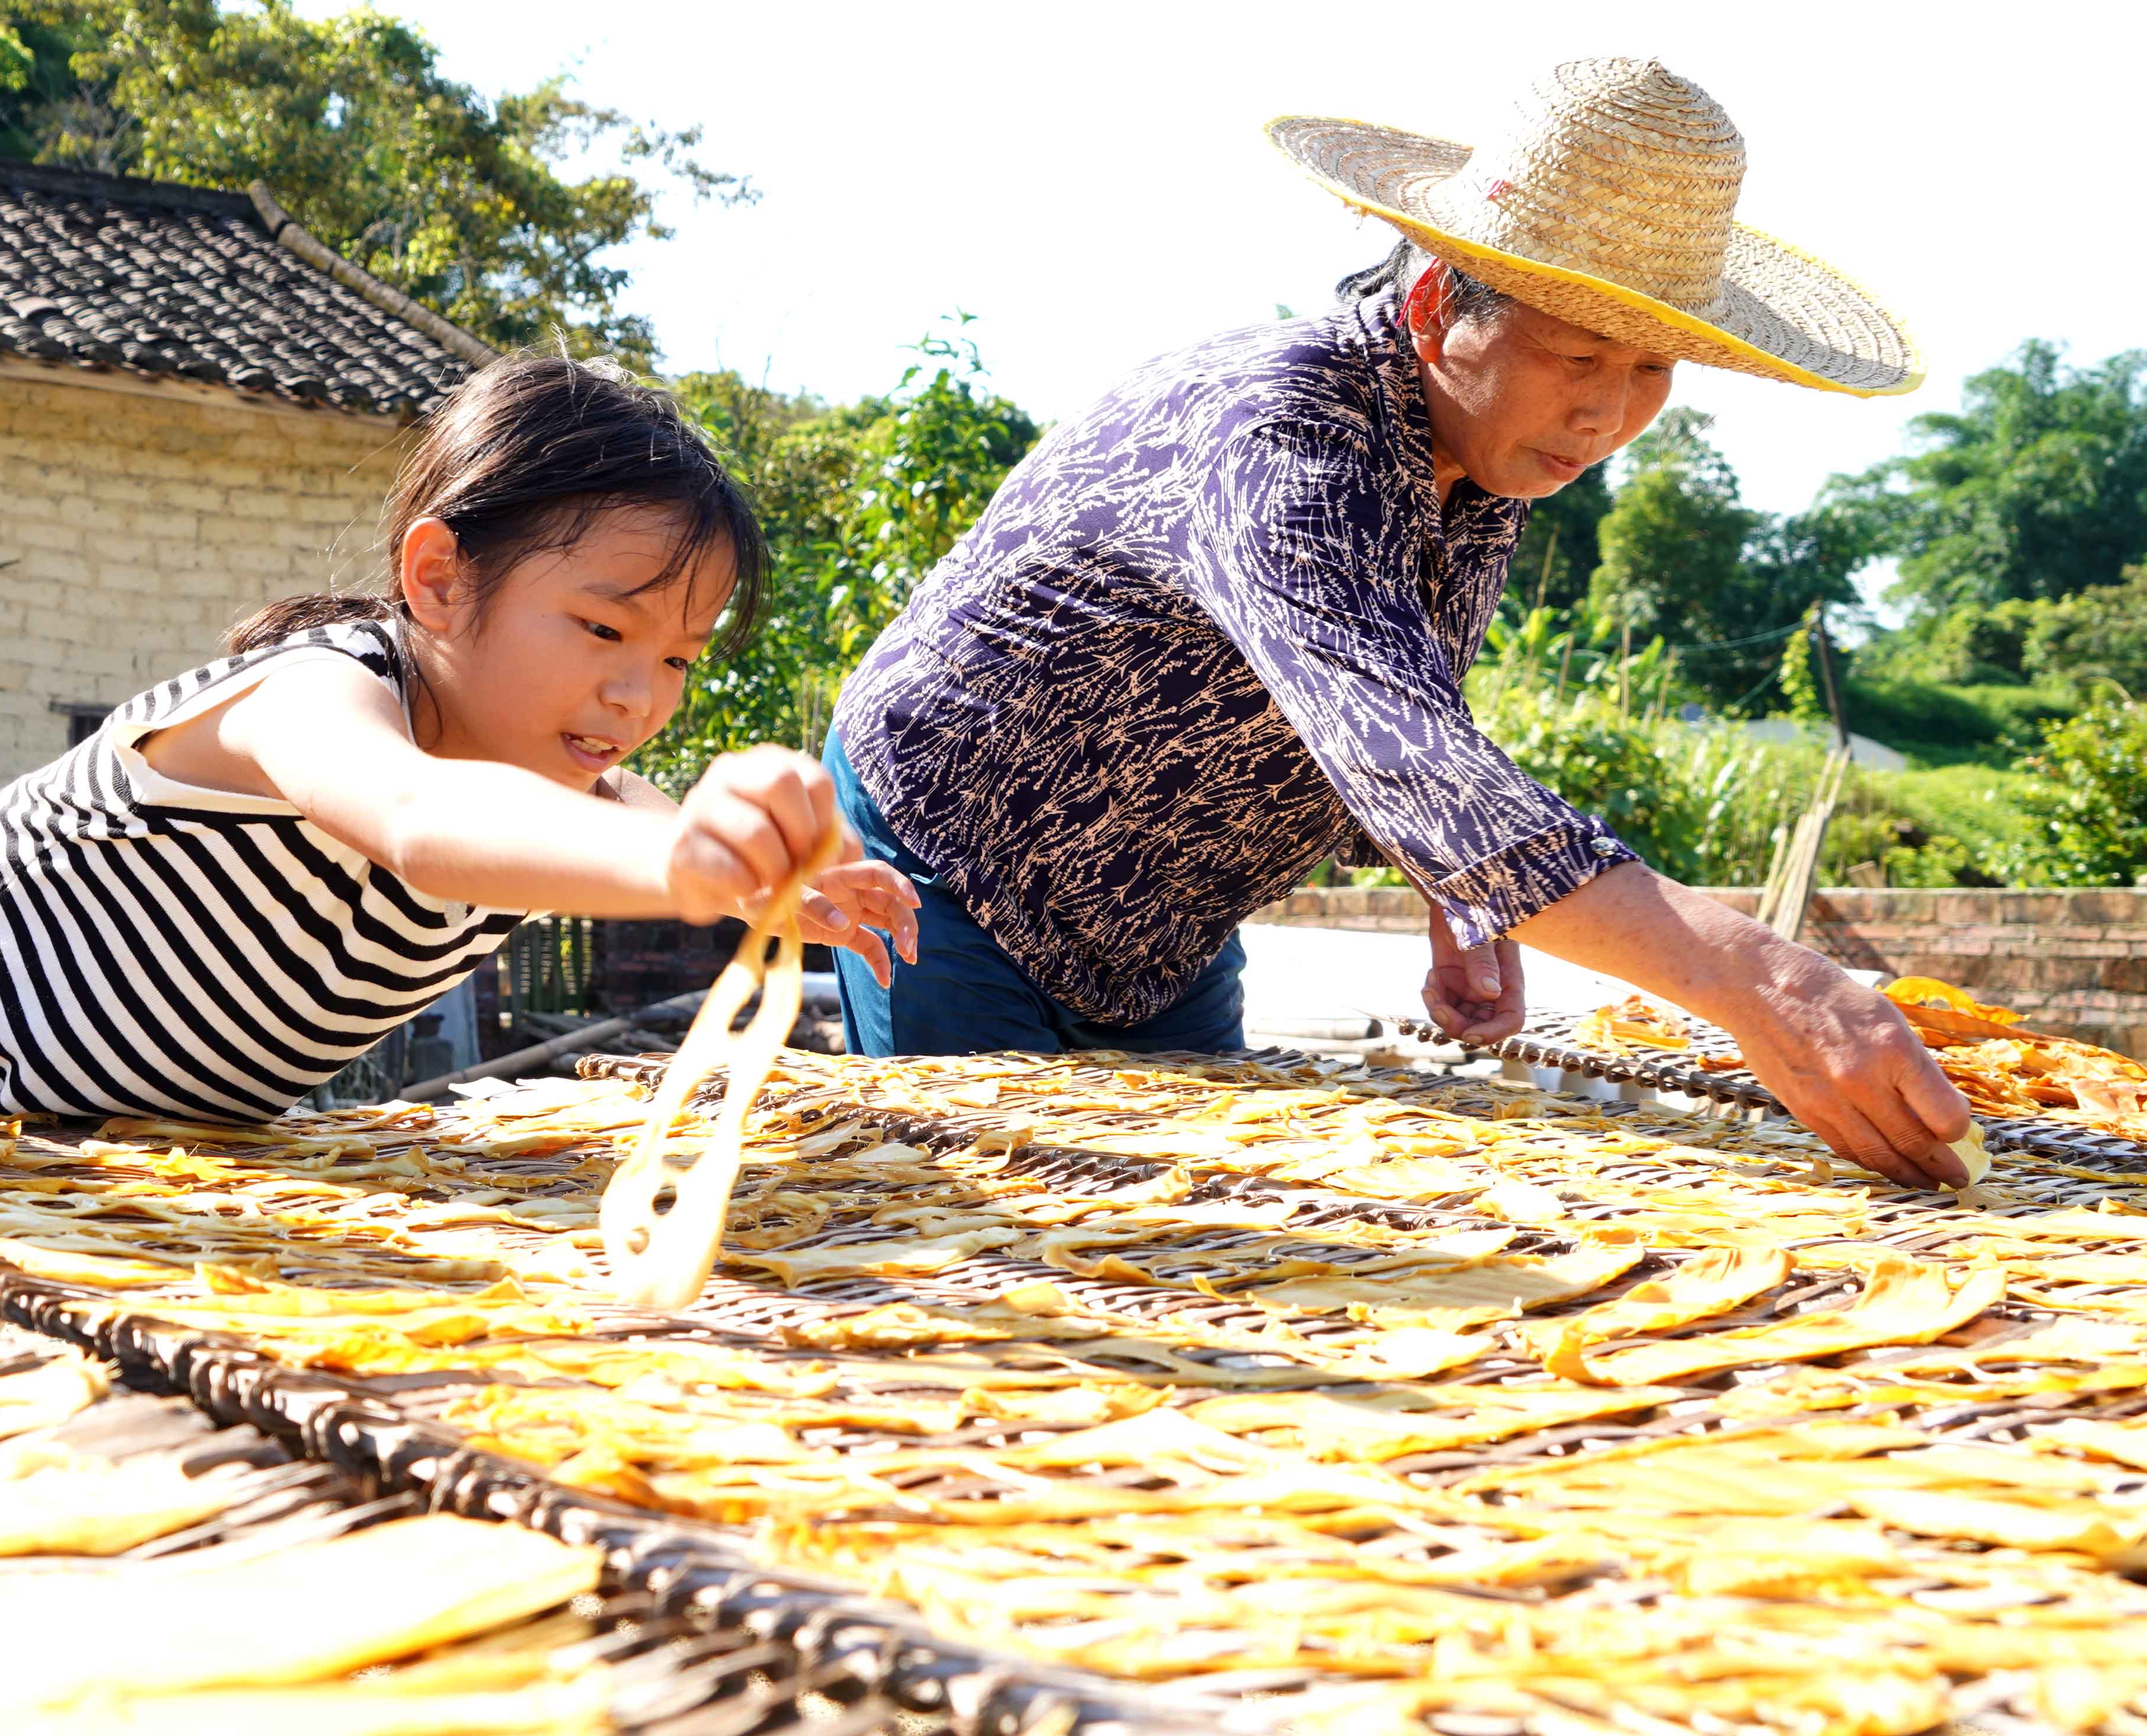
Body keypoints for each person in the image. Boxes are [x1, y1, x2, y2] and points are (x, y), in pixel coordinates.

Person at [825, 58, 1979, 1187]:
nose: (1607, 412)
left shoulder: (1486, 458)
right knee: (1003, 1213)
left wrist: (1455, 889)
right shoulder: (1283, 433)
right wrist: (1769, 985)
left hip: (1164, 922)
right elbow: (1396, 745)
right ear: (1435, 309)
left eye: (1650, 368)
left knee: (1181, 1200)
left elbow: (1404, 693)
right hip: (954, 856)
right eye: (1579, 354)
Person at [0, 355, 920, 1120]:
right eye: (603, 629)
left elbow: (636, 813)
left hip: (169, 1126)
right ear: (438, 578)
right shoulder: (311, 694)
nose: (639, 696)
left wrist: (756, 875)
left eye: (680, 659)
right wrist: (685, 859)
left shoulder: (551, 777)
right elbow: (417, 818)